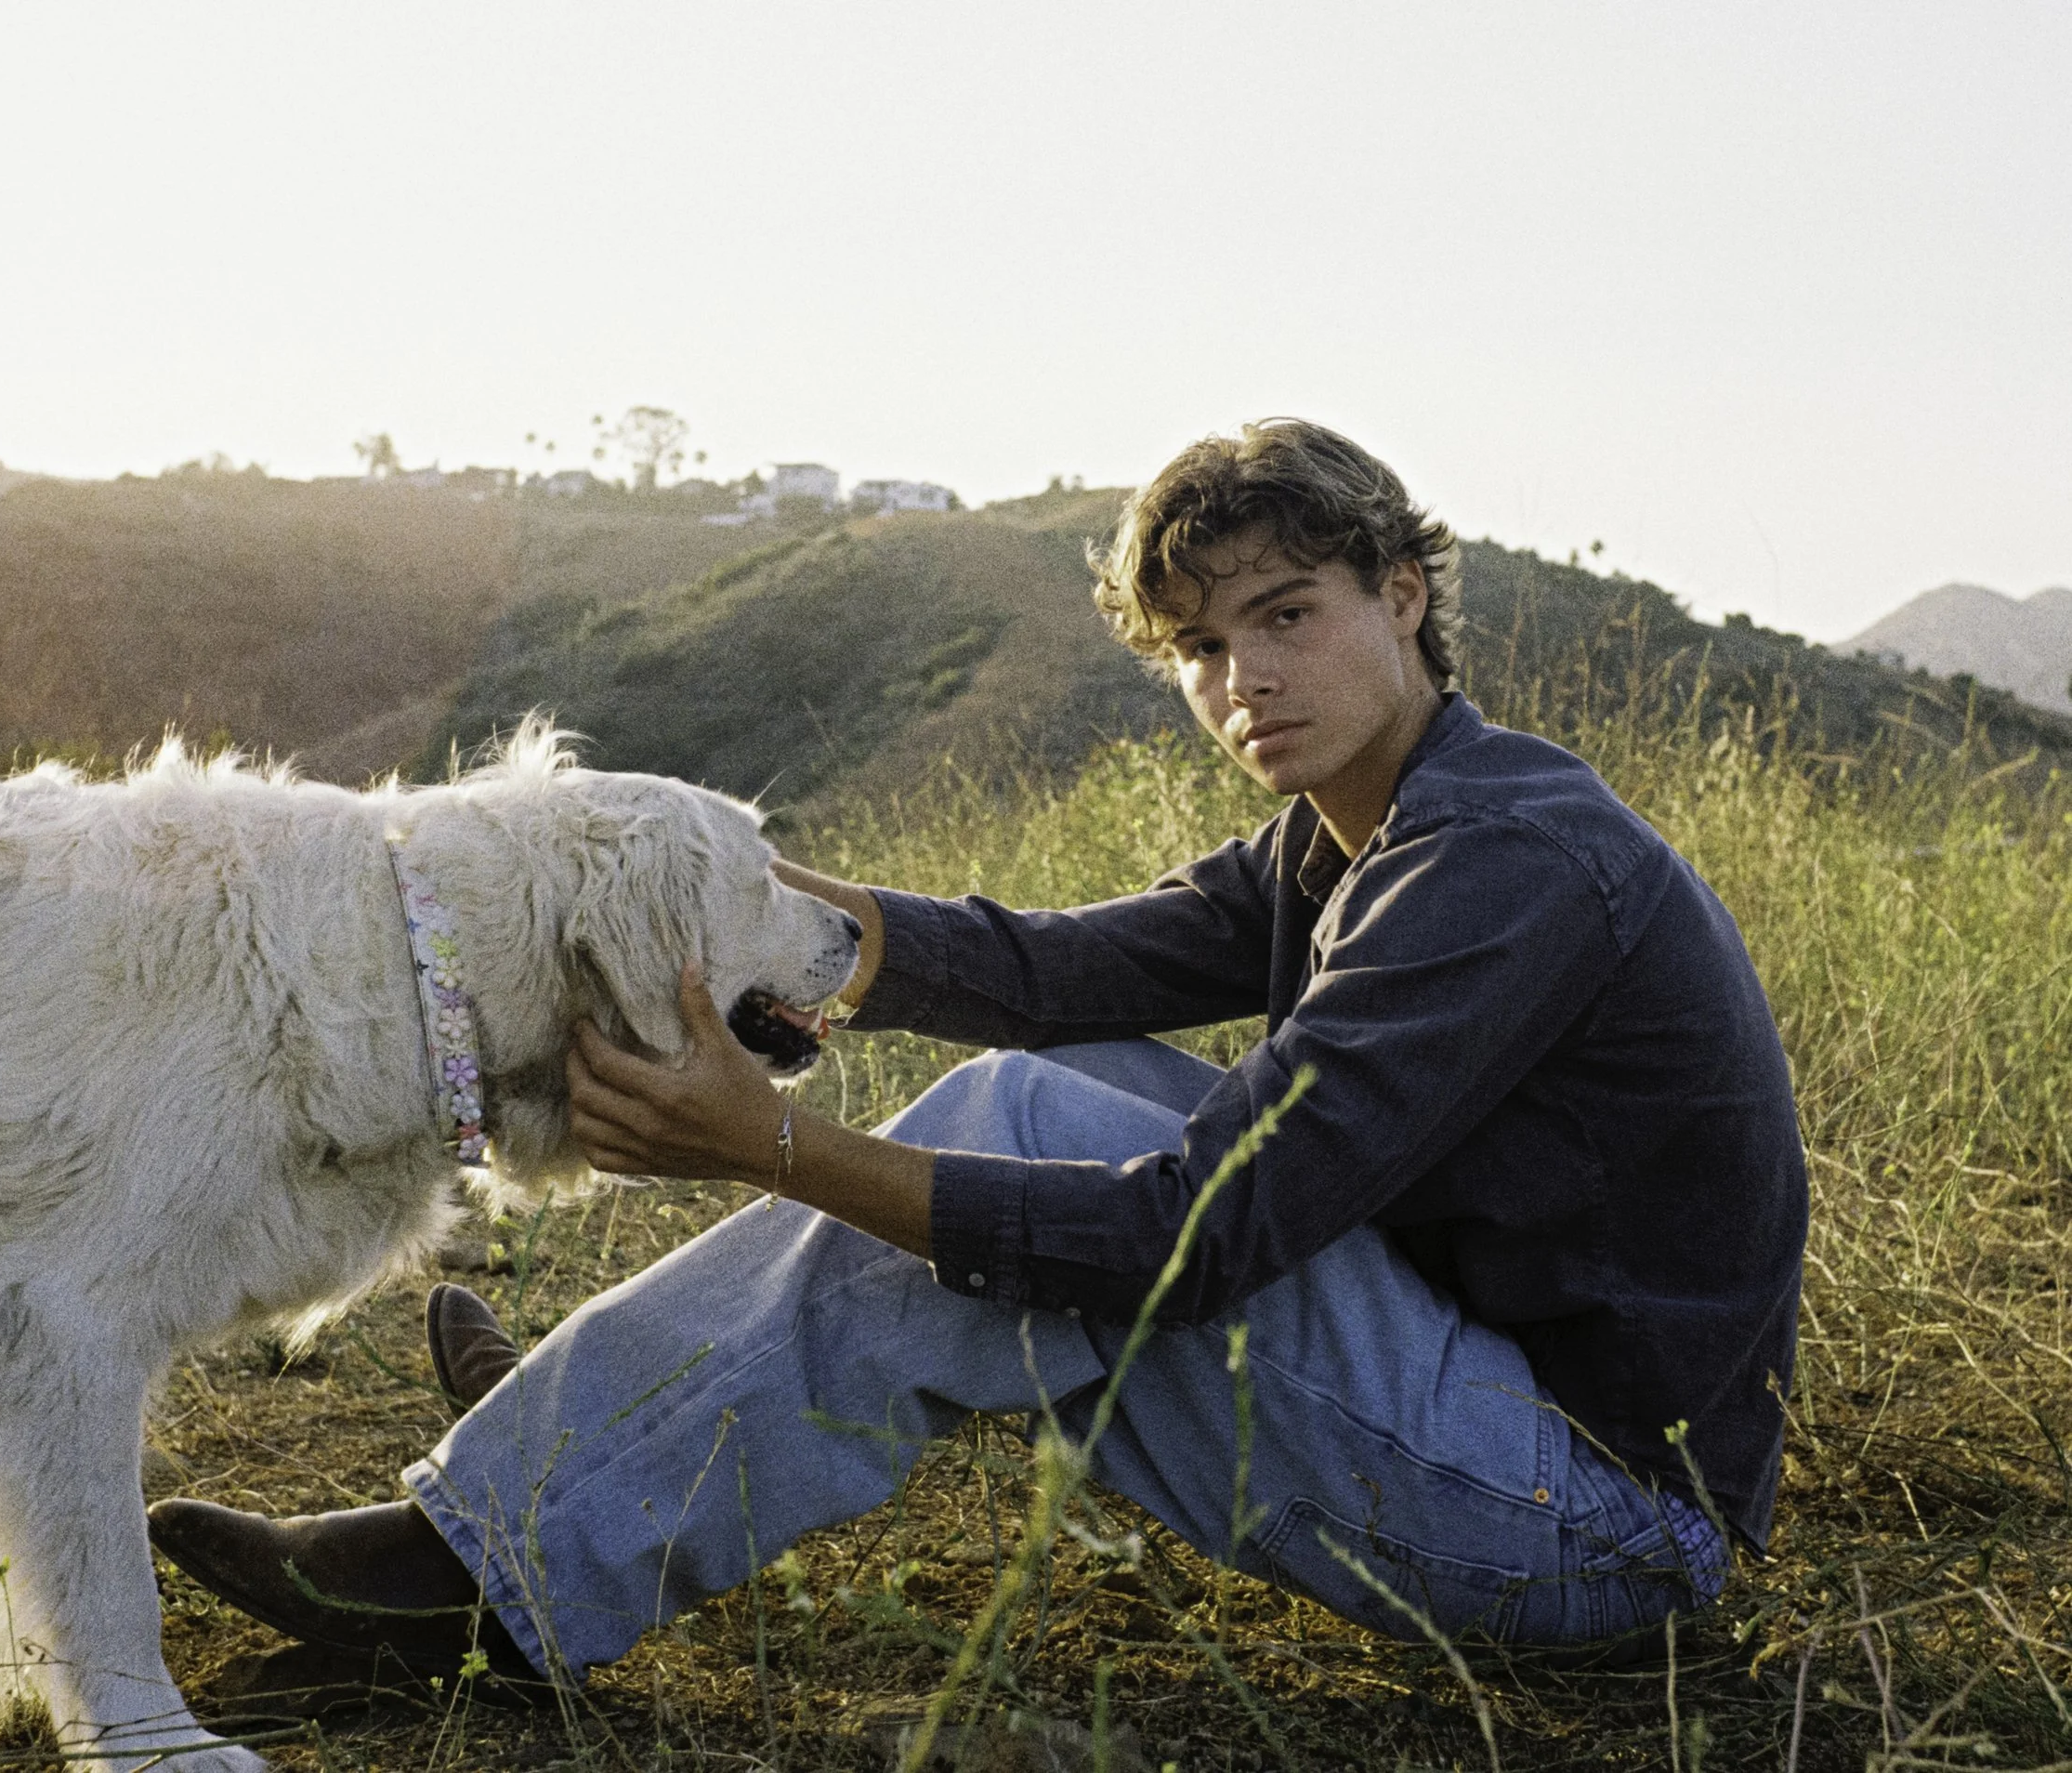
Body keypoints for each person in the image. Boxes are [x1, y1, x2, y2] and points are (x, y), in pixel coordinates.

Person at [149, 419, 1807, 1693]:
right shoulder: (1347, 831)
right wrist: (758, 902)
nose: (1247, 682)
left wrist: (771, 1146)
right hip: (1473, 1397)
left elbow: (1182, 1239)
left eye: (1288, 616)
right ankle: (612, 1452)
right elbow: (1066, 966)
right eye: (1202, 651)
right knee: (1054, 1076)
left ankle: (492, 1562)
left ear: (1404, 595)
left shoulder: (1496, 866)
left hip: (1588, 1528)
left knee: (1045, 1133)